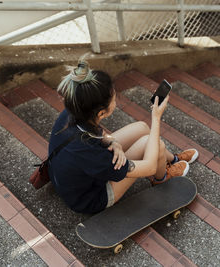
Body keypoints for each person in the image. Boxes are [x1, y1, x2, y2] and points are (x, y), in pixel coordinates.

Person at [48, 57, 199, 214]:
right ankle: (161, 178)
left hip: (76, 174)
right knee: (154, 144)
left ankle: (172, 160)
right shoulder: (89, 152)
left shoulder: (76, 110)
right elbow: (149, 166)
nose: (116, 97)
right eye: (114, 97)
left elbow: (97, 134)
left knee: (142, 128)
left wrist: (114, 143)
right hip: (91, 198)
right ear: (101, 112)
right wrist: (156, 117)